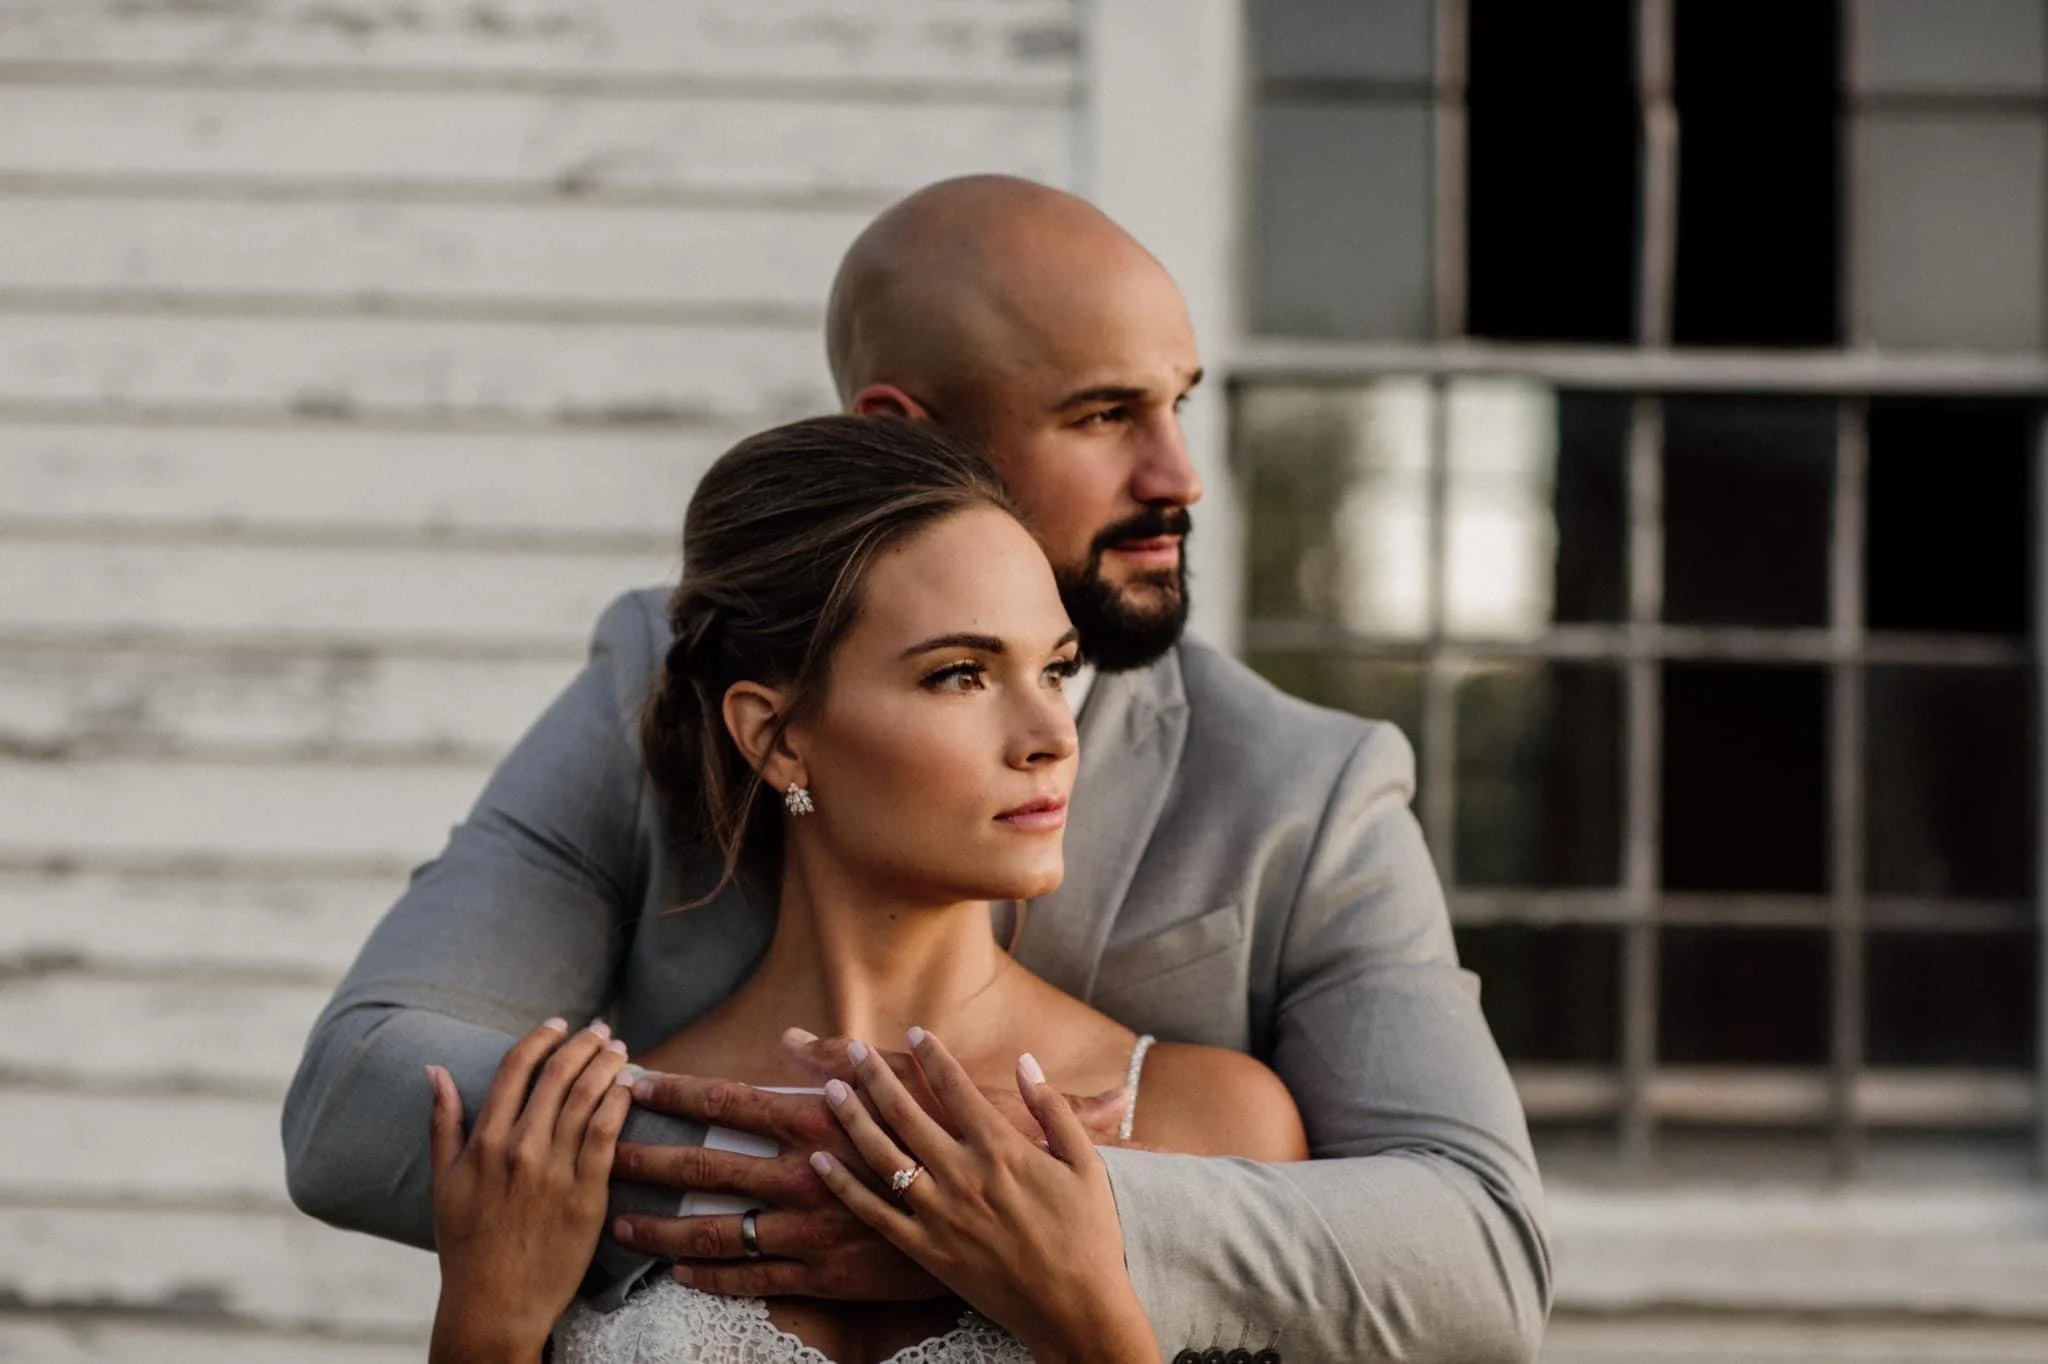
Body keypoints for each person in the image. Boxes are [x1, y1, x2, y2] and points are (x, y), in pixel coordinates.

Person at [284, 175, 1551, 1362]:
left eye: (1180, 401)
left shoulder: (1306, 787)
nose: (1180, 476)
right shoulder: (653, 677)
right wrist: (818, 1171)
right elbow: (355, 1099)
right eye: (1102, 414)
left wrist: (1007, 1211)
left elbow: (1479, 1253)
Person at [424, 416, 1307, 1363]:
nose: (1051, 731)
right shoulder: (592, 1136)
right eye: (961, 674)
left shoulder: (1214, 1123)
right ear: (776, 736)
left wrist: (1082, 1309)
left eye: (1055, 668)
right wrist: (489, 1324)